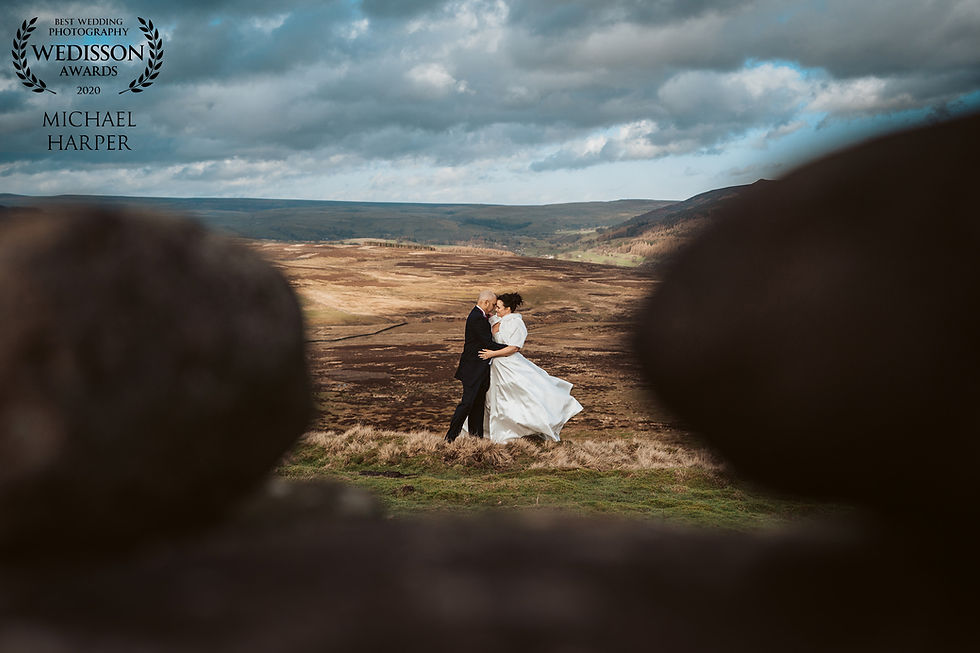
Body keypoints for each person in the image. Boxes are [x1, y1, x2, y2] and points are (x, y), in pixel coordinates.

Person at [475, 292, 582, 443]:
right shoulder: (494, 320)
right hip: (495, 367)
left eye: (498, 307)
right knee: (494, 399)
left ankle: (523, 429)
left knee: (521, 396)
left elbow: (514, 347)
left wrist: (492, 353)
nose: (495, 310)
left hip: (509, 364)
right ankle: (496, 432)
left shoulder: (516, 323)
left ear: (508, 308)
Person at [445, 290, 508, 442]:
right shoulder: (477, 318)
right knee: (467, 404)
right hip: (473, 370)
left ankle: (476, 439)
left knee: (477, 406)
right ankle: (450, 437)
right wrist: (510, 348)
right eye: (493, 305)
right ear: (486, 303)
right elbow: (487, 343)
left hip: (479, 371)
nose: (493, 308)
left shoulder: (479, 316)